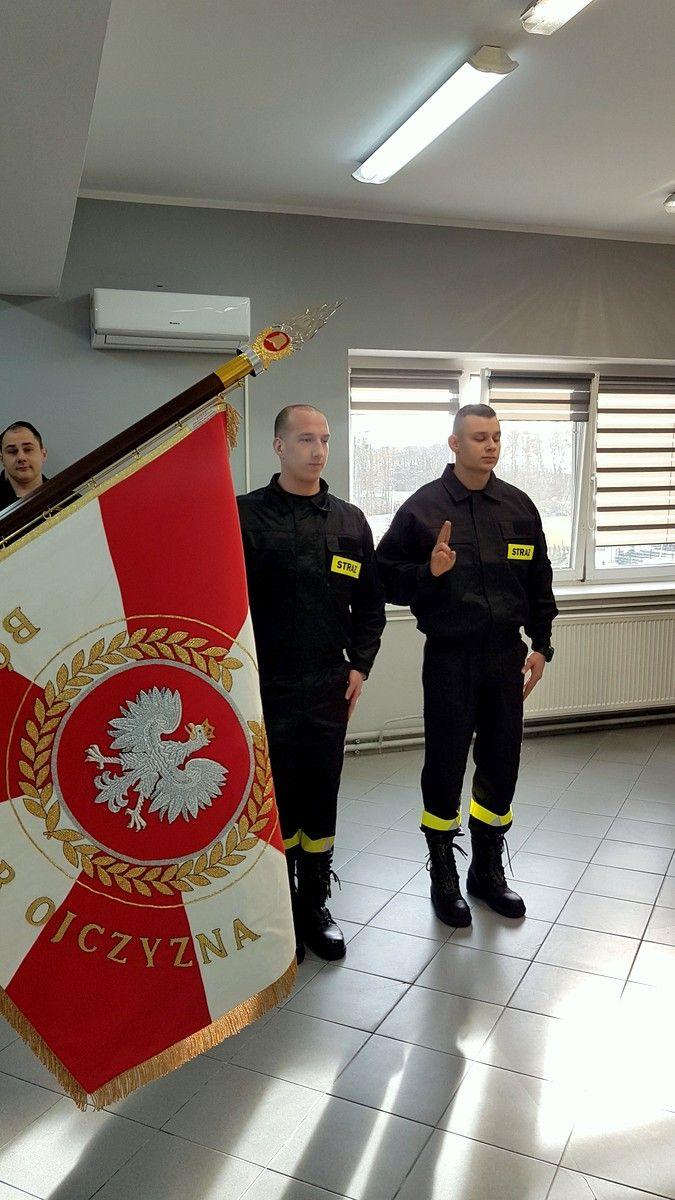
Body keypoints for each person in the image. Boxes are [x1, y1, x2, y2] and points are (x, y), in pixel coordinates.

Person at [376, 403, 557, 926]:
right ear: (454, 444)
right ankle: (443, 873)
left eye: (496, 436)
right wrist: (429, 573)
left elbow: (539, 582)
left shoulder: (519, 507)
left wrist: (542, 646)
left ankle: (486, 871)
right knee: (446, 763)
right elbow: (385, 577)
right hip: (451, 656)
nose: (491, 445)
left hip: (505, 655)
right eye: (479, 437)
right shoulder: (423, 508)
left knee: (501, 763)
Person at [237, 405, 385, 961]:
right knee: (271, 798)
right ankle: (276, 909)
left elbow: (370, 604)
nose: (318, 449)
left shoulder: (349, 521)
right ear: (279, 446)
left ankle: (314, 903)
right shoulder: (245, 516)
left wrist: (360, 664)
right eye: (305, 439)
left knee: (321, 794)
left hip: (327, 682)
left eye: (324, 439)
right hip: (265, 684)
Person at [0, 421, 48, 509]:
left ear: (43, 455)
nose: (21, 457)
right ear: (2, 459)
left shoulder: (67, 498)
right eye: (12, 451)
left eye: (28, 449)